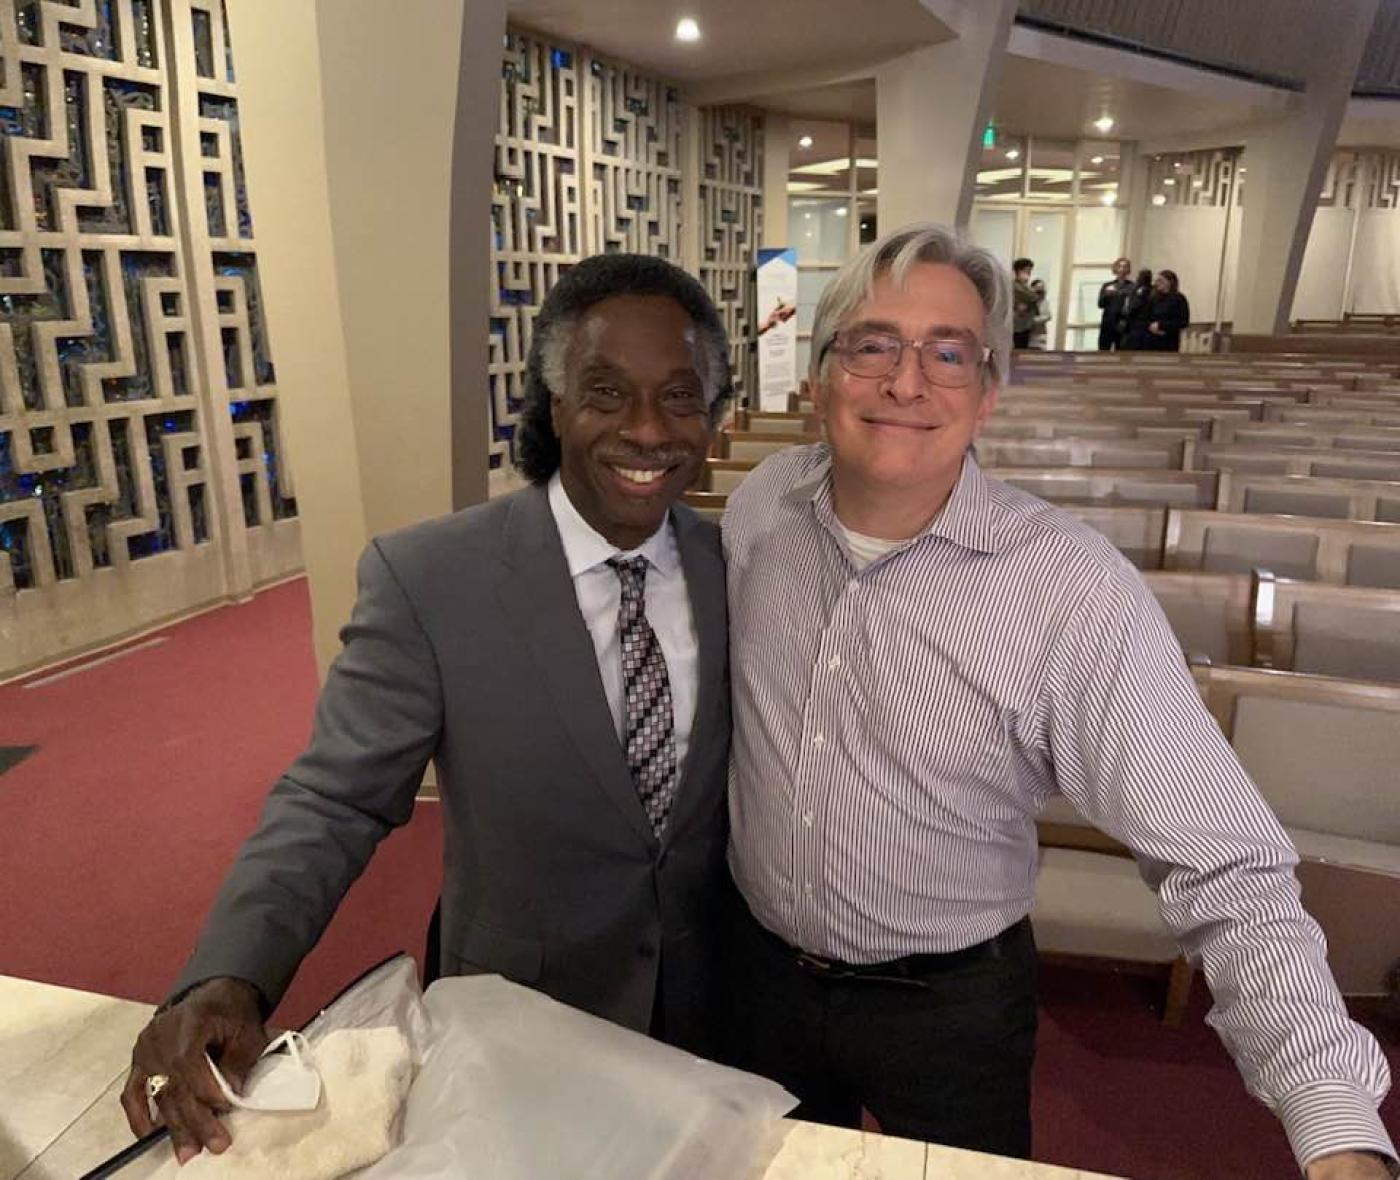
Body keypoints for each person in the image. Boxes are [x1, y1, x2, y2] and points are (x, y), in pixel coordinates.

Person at [720, 223, 1395, 1179]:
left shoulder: (1070, 589)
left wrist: (1333, 1119)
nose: (906, 383)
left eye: (948, 353)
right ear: (823, 374)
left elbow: (1221, 857)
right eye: (872, 345)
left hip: (949, 1008)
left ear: (988, 392)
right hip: (754, 975)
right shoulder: (762, 507)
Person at [120, 253, 736, 1165]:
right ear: (556, 404)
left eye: (679, 397)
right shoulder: (432, 578)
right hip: (518, 1024)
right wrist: (231, 973)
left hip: (717, 1016)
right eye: (607, 393)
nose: (647, 429)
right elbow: (335, 799)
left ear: (712, 415)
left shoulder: (736, 564)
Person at [1146, 267, 1191, 352]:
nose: (1157, 283)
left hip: (1169, 340)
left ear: (1170, 282)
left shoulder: (1179, 299)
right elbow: (1146, 316)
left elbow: (1183, 322)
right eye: (1156, 281)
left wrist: (1161, 325)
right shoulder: (1153, 298)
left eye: (1160, 280)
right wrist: (1150, 326)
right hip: (1151, 339)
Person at [1096, 256, 1134, 350]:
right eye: (1119, 266)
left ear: (1128, 269)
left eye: (1125, 266)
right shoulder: (1107, 285)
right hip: (1108, 324)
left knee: (1121, 352)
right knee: (1103, 351)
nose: (1122, 269)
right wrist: (1107, 295)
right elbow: (1100, 304)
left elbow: (1132, 307)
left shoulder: (1132, 286)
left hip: (1123, 324)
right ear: (1115, 268)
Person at [1120, 267, 1155, 350]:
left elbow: (1133, 306)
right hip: (1134, 325)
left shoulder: (1145, 291)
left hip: (1139, 325)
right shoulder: (1136, 289)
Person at [1011, 257, 1037, 349]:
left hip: (1026, 325)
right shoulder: (1013, 286)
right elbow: (1032, 297)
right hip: (1015, 326)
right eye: (1026, 271)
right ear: (1018, 271)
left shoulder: (1027, 287)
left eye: (1029, 272)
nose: (1028, 274)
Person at [1027, 278, 1050, 350]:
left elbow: (1048, 316)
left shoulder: (1044, 302)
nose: (1040, 290)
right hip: (1029, 334)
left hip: (1041, 333)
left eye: (1042, 288)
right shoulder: (1027, 301)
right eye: (1038, 288)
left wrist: (1034, 320)